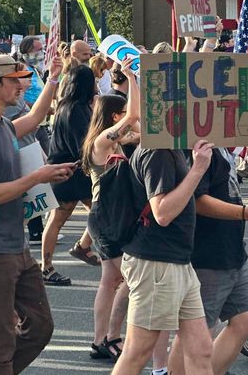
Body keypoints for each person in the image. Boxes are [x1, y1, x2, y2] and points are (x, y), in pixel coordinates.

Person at [0, 54, 75, 373]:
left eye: (23, 78)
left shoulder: (4, 124)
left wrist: (53, 78)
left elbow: (34, 120)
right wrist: (38, 177)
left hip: (13, 245)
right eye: (14, 80)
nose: (22, 85)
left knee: (38, 327)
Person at [111, 140, 215, 375]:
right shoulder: (156, 150)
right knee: (137, 352)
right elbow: (162, 212)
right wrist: (198, 169)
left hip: (176, 261)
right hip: (156, 263)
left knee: (201, 349)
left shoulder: (169, 147)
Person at [168, 143, 248, 375]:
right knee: (196, 331)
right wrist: (243, 212)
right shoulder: (202, 148)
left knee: (247, 319)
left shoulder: (221, 147)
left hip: (232, 248)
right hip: (209, 252)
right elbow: (197, 201)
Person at [81, 60, 140, 361]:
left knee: (112, 280)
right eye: (121, 115)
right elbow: (136, 116)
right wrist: (131, 77)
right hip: (104, 217)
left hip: (114, 216)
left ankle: (100, 339)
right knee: (126, 278)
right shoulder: (103, 141)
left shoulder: (117, 140)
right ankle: (109, 336)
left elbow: (143, 129)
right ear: (113, 116)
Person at [43, 64, 99, 286]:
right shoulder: (77, 109)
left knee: (96, 211)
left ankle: (80, 248)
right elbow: (83, 143)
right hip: (71, 171)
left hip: (67, 169)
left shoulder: (66, 105)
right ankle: (48, 266)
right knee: (64, 217)